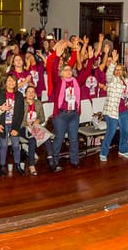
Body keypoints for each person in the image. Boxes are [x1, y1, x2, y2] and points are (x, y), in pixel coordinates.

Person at [49, 40, 81, 171]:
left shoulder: (75, 81)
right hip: (61, 115)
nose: (69, 72)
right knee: (59, 139)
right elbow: (52, 69)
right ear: (61, 73)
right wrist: (56, 56)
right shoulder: (58, 82)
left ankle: (74, 160)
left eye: (70, 70)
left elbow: (85, 72)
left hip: (73, 114)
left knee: (73, 139)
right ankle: (54, 162)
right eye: (66, 70)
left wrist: (89, 59)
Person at [99, 49, 128, 161]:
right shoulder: (111, 80)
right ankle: (103, 152)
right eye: (116, 69)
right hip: (112, 111)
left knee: (124, 131)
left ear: (123, 71)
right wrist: (113, 62)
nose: (118, 71)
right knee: (111, 132)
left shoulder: (126, 81)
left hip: (124, 110)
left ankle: (123, 150)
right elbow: (108, 74)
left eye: (120, 69)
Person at [0, 74, 26, 176]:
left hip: (14, 124)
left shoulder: (19, 95)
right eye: (9, 81)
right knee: (3, 146)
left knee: (16, 146)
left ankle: (17, 165)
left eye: (13, 81)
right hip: (3, 123)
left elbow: (21, 113)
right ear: (5, 82)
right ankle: (2, 166)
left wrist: (16, 128)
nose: (11, 83)